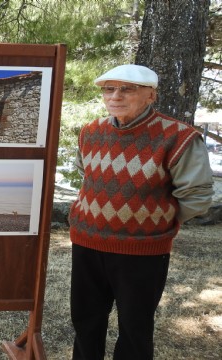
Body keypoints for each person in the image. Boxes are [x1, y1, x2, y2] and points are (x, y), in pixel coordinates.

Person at [68, 64, 214, 360]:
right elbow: (87, 175)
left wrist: (152, 221)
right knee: (85, 322)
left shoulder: (178, 137)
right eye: (109, 89)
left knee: (135, 329)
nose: (115, 96)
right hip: (87, 241)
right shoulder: (91, 132)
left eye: (127, 88)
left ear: (151, 95)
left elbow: (197, 196)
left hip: (143, 250)